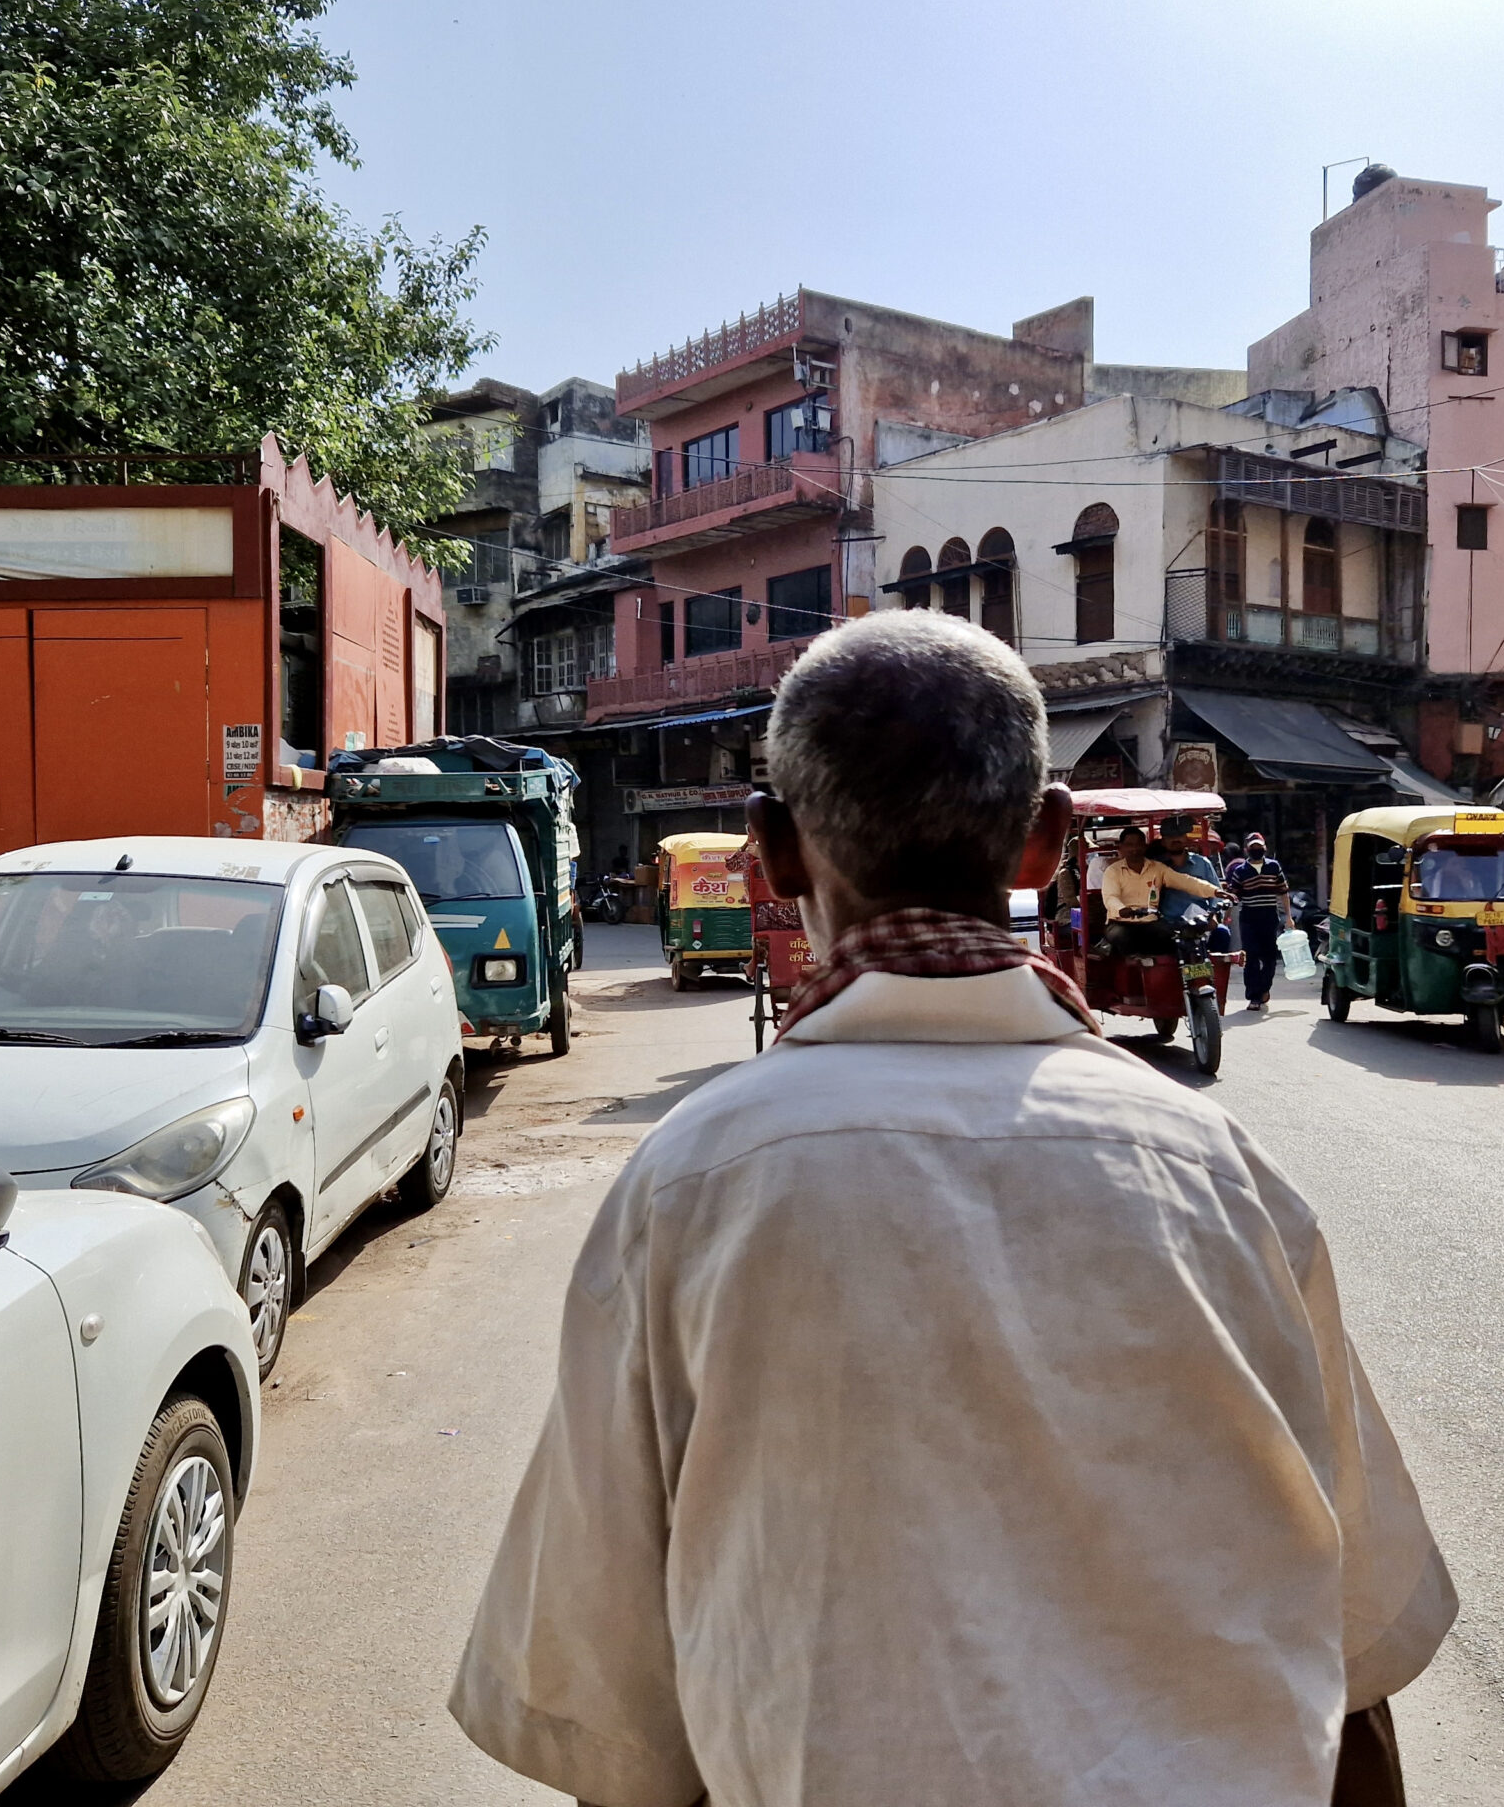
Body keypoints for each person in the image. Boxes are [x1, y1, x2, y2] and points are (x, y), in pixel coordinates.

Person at [452, 611, 1453, 1807]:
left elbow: (607, 1720)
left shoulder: (690, 1184)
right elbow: (1357, 1667)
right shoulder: (1217, 1169)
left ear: (772, 851)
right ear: (1044, 843)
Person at [1100, 823, 1221, 956]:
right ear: (1121, 847)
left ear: (1144, 846)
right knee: (1121, 937)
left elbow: (1186, 881)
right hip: (1120, 923)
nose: (1134, 848)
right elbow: (1110, 897)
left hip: (1150, 923)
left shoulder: (1157, 868)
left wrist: (1215, 891)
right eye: (1129, 844)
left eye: (1138, 844)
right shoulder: (1113, 871)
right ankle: (1133, 969)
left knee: (1172, 937)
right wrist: (1121, 909)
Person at [1228, 832, 1291, 1010]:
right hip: (1249, 918)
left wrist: (1289, 918)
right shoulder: (1240, 871)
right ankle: (1254, 997)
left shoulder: (1274, 867)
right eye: (1253, 847)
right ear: (1247, 849)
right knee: (1252, 957)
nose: (1256, 850)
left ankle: (1264, 988)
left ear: (1265, 848)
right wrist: (1226, 914)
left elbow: (1283, 891)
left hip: (1269, 917)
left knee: (1270, 957)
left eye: (1259, 847)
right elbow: (1234, 896)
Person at [1153, 816, 1232, 953]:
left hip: (1201, 923)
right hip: (1169, 925)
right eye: (1170, 837)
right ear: (1163, 841)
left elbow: (1216, 894)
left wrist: (1213, 916)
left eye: (1179, 836)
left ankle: (1216, 973)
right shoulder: (1155, 867)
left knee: (1222, 933)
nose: (1175, 840)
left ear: (1186, 839)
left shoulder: (1203, 863)